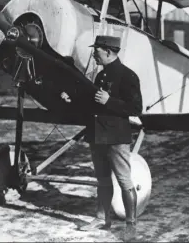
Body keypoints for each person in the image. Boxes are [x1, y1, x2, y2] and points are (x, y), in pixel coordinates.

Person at [79, 35, 143, 241]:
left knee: (124, 181)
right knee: (103, 180)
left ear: (108, 51)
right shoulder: (101, 76)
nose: (93, 54)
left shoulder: (128, 76)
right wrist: (72, 100)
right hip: (98, 135)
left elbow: (135, 108)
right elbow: (92, 104)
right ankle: (102, 218)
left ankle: (131, 225)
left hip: (116, 137)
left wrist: (109, 101)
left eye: (96, 50)